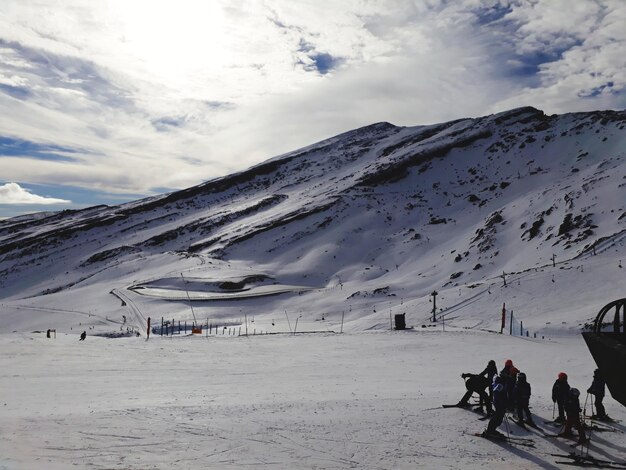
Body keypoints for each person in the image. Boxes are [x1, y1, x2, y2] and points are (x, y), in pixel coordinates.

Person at [484, 373, 508, 437]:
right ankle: (489, 430)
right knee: (497, 416)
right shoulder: (500, 384)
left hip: (501, 402)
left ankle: (492, 430)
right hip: (499, 403)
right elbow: (496, 392)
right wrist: (501, 401)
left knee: (499, 418)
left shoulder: (502, 382)